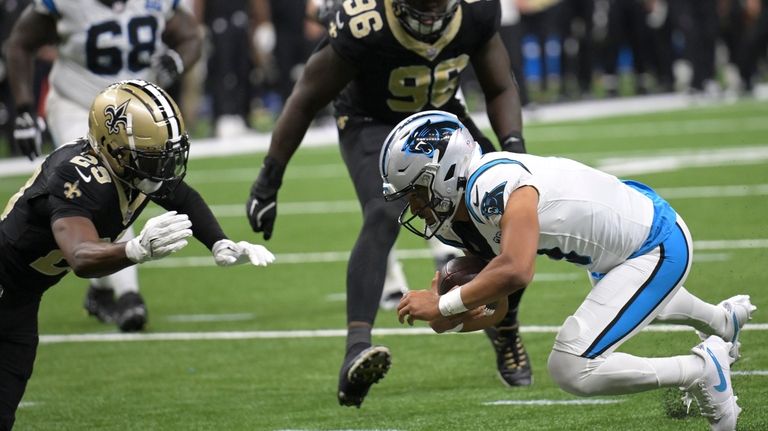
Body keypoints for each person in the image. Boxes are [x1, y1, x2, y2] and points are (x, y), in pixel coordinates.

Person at [385, 110, 755, 431]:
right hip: (616, 251)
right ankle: (724, 322)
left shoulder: (491, 184)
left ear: (447, 170)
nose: (415, 206)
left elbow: (516, 271)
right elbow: (500, 304)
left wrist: (444, 305)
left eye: (417, 191)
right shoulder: (461, 217)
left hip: (654, 244)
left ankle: (700, 368)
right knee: (637, 301)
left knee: (571, 366)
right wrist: (457, 317)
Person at [246, 0, 530, 408]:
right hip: (371, 120)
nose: (431, 14)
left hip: (440, 114)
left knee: (506, 207)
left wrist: (514, 151)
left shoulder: (476, 10)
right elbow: (306, 97)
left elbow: (500, 85)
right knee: (383, 212)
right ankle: (355, 349)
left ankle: (505, 328)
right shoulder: (365, 24)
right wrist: (268, 180)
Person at [0, 80, 275, 430]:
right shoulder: (78, 173)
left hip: (22, 299)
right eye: (152, 157)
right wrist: (136, 249)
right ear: (111, 148)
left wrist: (219, 243)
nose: (163, 169)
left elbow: (184, 198)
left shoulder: (129, 167)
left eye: (166, 155)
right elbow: (80, 255)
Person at [7, 0, 203, 332]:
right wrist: (25, 108)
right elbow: (20, 43)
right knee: (109, 187)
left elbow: (191, 35)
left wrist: (178, 59)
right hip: (77, 104)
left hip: (137, 119)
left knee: (124, 194)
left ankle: (100, 291)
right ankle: (129, 297)